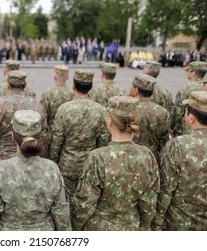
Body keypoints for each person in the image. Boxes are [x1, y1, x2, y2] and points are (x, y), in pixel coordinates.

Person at [70, 96, 159, 230]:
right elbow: (149, 203)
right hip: (131, 226)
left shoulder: (97, 157)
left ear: (109, 121)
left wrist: (75, 227)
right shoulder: (146, 156)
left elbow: (85, 204)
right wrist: (144, 226)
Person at [0, 110, 71, 231]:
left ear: (12, 136)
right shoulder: (52, 169)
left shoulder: (0, 169)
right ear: (40, 136)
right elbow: (61, 210)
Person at [49, 70, 110, 199]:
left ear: (73, 86)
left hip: (67, 165)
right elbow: (103, 142)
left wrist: (54, 162)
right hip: (90, 164)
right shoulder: (101, 111)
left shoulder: (64, 109)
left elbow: (56, 141)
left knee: (66, 200)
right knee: (87, 199)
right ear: (91, 87)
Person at [152, 91, 207, 231]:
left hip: (180, 222)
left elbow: (166, 187)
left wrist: (157, 222)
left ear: (191, 118)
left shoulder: (178, 145)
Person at [0, 70, 47, 168]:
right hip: (31, 158)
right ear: (25, 85)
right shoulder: (37, 106)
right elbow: (43, 135)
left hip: (3, 159)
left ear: (8, 85)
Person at [129, 73, 171, 160]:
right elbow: (164, 142)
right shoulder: (163, 112)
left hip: (129, 157)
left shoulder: (128, 109)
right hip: (152, 158)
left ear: (135, 90)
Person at [40, 65, 74, 153]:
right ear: (67, 77)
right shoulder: (72, 94)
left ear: (55, 76)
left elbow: (42, 118)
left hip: (51, 137)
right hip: (69, 137)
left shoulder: (47, 94)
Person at [173, 61, 207, 136]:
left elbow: (178, 110)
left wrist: (173, 128)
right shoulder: (205, 85)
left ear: (193, 73)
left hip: (188, 128)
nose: (187, 73)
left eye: (188, 71)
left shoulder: (186, 87)